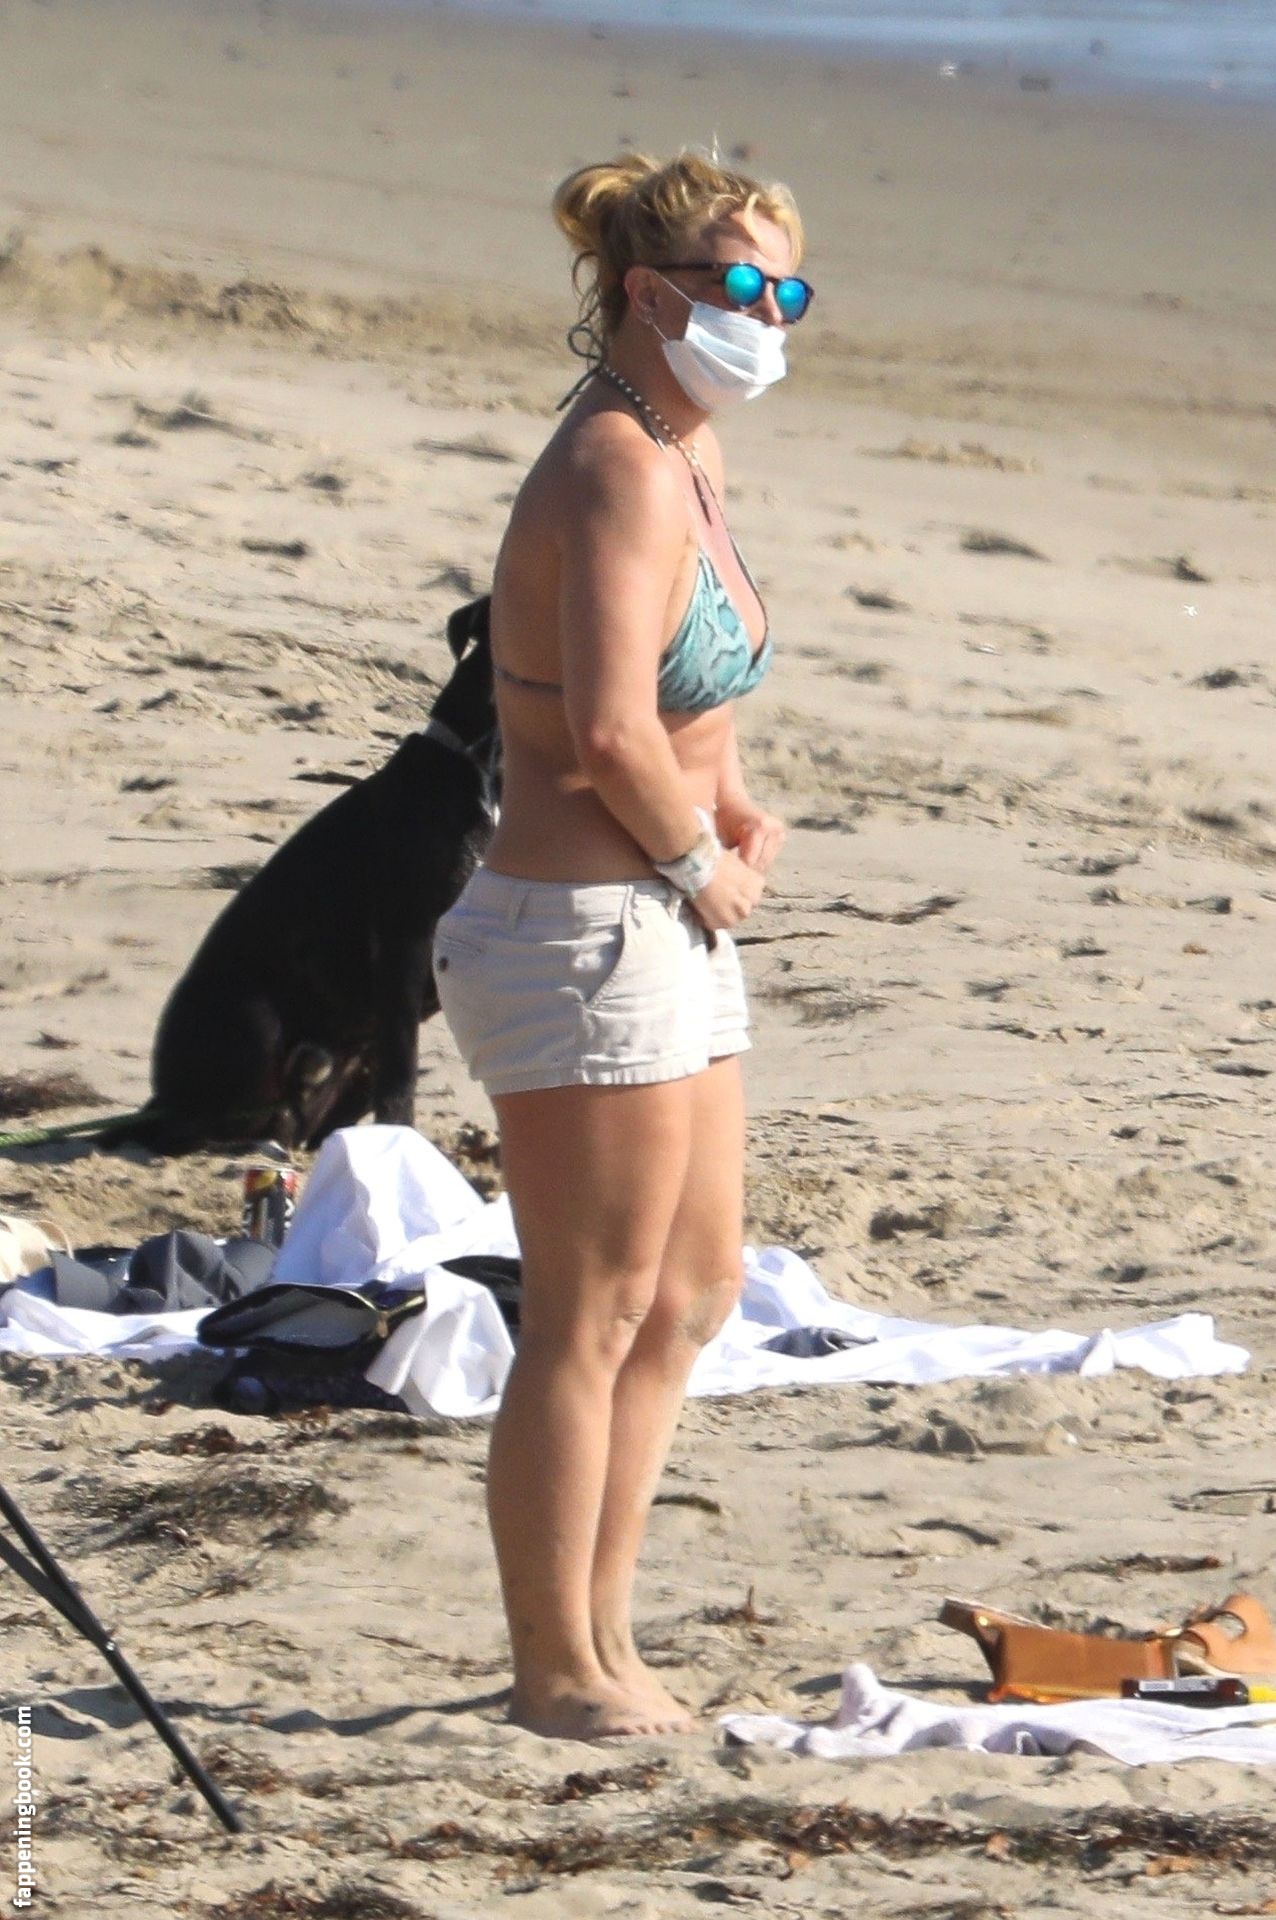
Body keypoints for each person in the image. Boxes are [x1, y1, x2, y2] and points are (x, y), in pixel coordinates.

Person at [432, 149, 812, 1740]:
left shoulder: (685, 449)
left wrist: (733, 803)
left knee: (694, 1293)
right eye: (745, 287)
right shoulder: (615, 465)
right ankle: (557, 1667)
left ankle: (607, 1633)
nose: (771, 317)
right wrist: (692, 857)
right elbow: (598, 730)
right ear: (650, 295)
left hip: (659, 915)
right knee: (587, 1309)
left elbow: (684, 691)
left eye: (790, 290)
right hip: (578, 931)